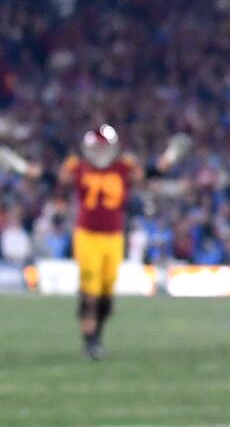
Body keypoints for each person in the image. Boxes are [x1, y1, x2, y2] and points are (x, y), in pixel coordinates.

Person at [56, 124, 181, 359]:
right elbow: (57, 179)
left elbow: (148, 174)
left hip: (113, 236)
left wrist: (167, 160)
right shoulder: (77, 165)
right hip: (87, 234)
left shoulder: (124, 166)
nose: (101, 154)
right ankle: (89, 341)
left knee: (106, 295)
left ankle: (97, 338)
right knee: (89, 293)